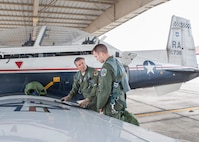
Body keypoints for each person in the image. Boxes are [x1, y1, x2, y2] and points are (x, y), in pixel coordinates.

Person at [92, 44, 139, 126]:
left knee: (112, 128)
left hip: (112, 103)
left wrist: (99, 105)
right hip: (120, 100)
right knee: (117, 125)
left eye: (96, 56)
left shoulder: (107, 67)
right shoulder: (117, 62)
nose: (96, 59)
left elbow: (105, 90)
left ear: (101, 54)